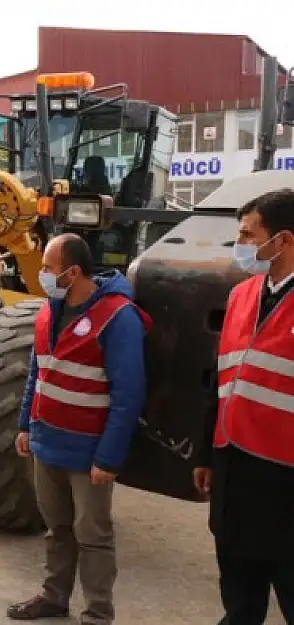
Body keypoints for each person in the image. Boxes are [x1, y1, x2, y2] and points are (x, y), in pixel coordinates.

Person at [7, 233, 149, 624]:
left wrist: (109, 457)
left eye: (50, 268)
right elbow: (37, 373)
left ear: (72, 272)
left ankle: (98, 613)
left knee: (93, 537)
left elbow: (129, 394)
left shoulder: (118, 317)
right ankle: (54, 596)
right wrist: (25, 425)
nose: (43, 275)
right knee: (57, 529)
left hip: (89, 455)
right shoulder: (49, 311)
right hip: (47, 442)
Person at [195, 190, 294, 625]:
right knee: (239, 597)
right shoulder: (241, 295)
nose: (241, 245)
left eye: (248, 235)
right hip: (234, 472)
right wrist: (205, 454)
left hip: (284, 484)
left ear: (284, 240)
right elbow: (219, 381)